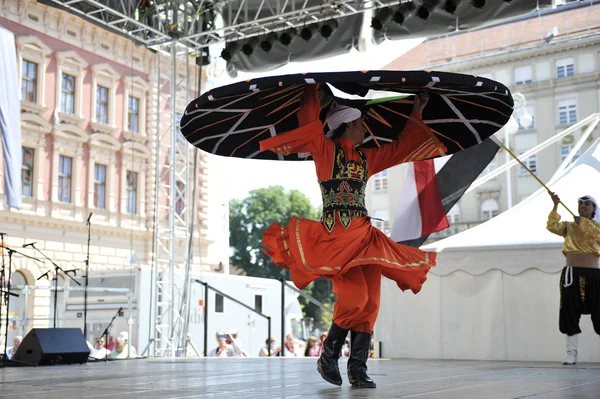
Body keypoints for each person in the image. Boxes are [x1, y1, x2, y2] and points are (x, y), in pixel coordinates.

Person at [260, 84, 445, 388]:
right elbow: (309, 129)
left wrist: (417, 110)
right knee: (355, 298)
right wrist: (313, 98)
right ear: (346, 125)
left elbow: (401, 148)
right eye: (360, 124)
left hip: (364, 237)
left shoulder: (366, 158)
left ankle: (357, 369)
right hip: (335, 240)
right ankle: (327, 357)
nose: (364, 128)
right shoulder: (325, 150)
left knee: (370, 303)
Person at [547, 192, 600, 365]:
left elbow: (594, 234)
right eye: (580, 203)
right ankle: (571, 354)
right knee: (569, 311)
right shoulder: (569, 226)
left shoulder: (597, 226)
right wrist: (555, 205)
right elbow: (552, 226)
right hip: (571, 273)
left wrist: (583, 222)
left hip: (593, 274)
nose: (582, 206)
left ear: (593, 209)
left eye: (587, 203)